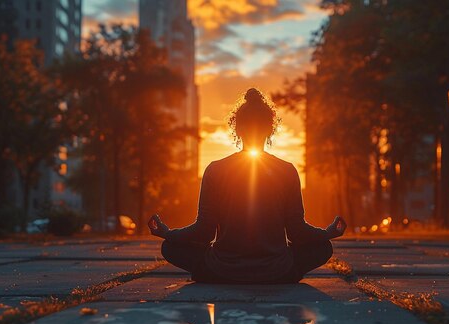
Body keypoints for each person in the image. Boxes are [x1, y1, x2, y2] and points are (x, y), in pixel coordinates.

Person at [148, 88, 346, 284]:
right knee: (324, 247)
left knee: (169, 247)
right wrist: (327, 233)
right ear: (270, 129)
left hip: (222, 270)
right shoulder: (287, 170)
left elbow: (204, 231)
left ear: (238, 129)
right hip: (276, 271)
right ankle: (280, 273)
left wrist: (167, 233)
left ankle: (212, 273)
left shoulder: (215, 170)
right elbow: (297, 231)